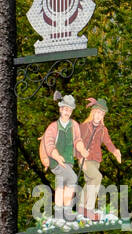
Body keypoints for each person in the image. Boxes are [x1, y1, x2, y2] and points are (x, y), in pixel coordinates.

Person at [40, 93, 89, 223]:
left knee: (63, 184)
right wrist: (57, 155)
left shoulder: (74, 125)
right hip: (55, 161)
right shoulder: (53, 127)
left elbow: (78, 140)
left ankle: (60, 214)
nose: (68, 112)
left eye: (70, 110)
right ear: (61, 109)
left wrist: (82, 150)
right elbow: (49, 144)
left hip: (69, 161)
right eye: (65, 109)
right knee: (72, 178)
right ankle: (64, 211)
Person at [79, 97, 122, 221]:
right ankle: (90, 209)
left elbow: (108, 143)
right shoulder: (84, 126)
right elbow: (77, 142)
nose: (99, 115)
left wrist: (115, 151)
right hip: (84, 159)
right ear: (93, 112)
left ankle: (82, 208)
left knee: (90, 182)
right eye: (98, 112)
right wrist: (81, 155)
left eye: (102, 114)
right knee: (98, 177)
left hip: (96, 159)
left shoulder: (103, 130)